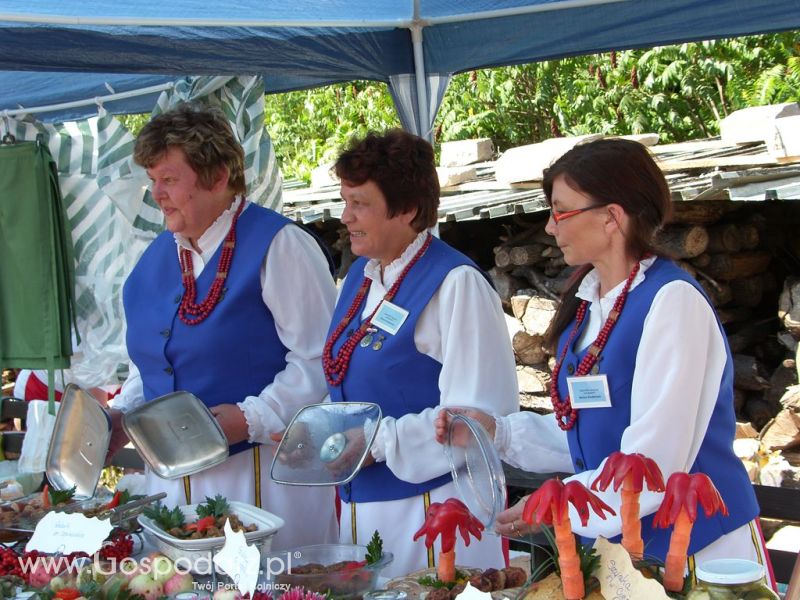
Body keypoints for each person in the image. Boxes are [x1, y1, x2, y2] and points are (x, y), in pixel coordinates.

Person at [435, 138, 774, 586]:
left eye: (561, 212)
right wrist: (498, 432)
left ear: (612, 217)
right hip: (627, 556)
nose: (551, 228)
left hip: (698, 555)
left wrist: (557, 503)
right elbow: (587, 434)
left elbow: (653, 462)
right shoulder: (590, 304)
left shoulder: (671, 303)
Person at [108, 104, 337, 551]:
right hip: (173, 486)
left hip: (263, 476)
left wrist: (251, 418)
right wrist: (124, 413)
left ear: (217, 177)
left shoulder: (281, 246)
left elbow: (320, 360)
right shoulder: (155, 257)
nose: (157, 193)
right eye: (153, 180)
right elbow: (148, 364)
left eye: (169, 179)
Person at [323, 129, 518, 578]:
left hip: (435, 507)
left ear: (408, 209)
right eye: (344, 200)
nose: (345, 216)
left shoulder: (456, 284)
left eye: (359, 204)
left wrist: (378, 443)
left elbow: (477, 417)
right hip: (366, 505)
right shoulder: (361, 278)